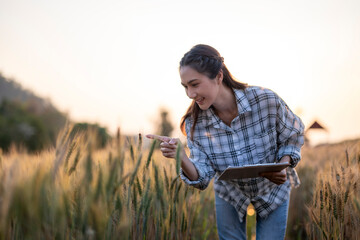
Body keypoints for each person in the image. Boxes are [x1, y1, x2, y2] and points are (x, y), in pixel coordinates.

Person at [146, 44, 304, 240]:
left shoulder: (265, 100)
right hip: (230, 193)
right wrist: (181, 156)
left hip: (273, 191)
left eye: (194, 84)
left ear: (219, 76)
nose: (190, 94)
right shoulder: (194, 123)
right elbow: (201, 177)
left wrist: (283, 164)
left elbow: (293, 133)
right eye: (185, 87)